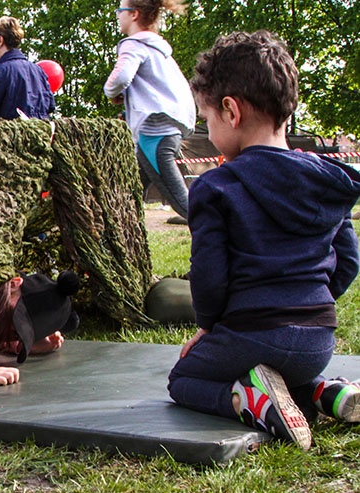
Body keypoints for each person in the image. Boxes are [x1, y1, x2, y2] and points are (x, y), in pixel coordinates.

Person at [167, 30, 360, 450]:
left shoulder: (216, 187)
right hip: (318, 342)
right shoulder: (328, 182)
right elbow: (349, 260)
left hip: (250, 333)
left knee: (183, 379)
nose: (207, 127)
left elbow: (210, 277)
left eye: (206, 119)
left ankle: (248, 399)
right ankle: (323, 393)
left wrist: (209, 327)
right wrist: (315, 301)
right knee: (291, 371)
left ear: (231, 112)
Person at [103, 0, 195, 221]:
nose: (117, 15)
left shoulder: (133, 44)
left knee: (183, 202)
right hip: (166, 127)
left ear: (133, 14)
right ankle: (119, 239)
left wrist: (110, 90)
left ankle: (221, 230)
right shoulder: (159, 49)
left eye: (120, 10)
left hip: (154, 132)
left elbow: (121, 78)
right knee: (128, 194)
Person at [0, 16, 56, 122]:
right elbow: (50, 106)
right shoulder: (39, 71)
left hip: (11, 137)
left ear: (0, 40)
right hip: (42, 137)